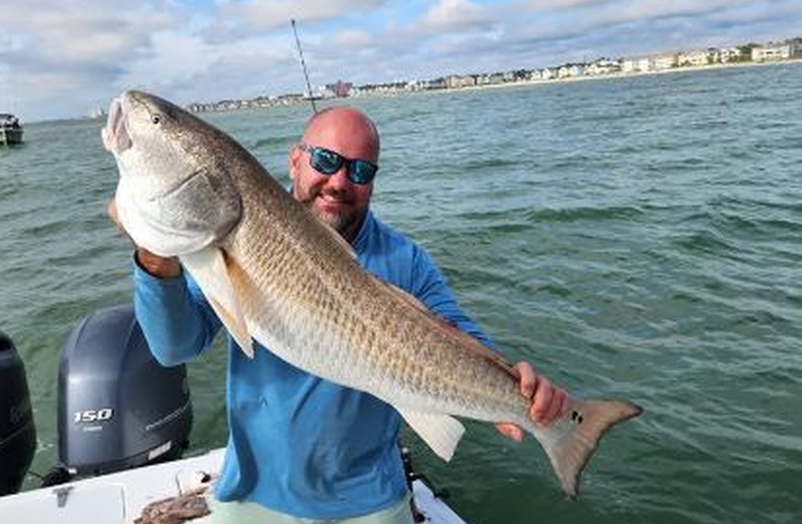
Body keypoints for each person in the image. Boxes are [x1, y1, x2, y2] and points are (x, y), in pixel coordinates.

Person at [111, 106, 569, 523]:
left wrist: (515, 385)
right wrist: (156, 259)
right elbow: (176, 347)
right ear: (295, 160)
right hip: (253, 490)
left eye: (361, 170)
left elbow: (454, 330)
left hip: (370, 500)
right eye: (326, 161)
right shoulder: (223, 240)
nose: (339, 181)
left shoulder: (405, 260)